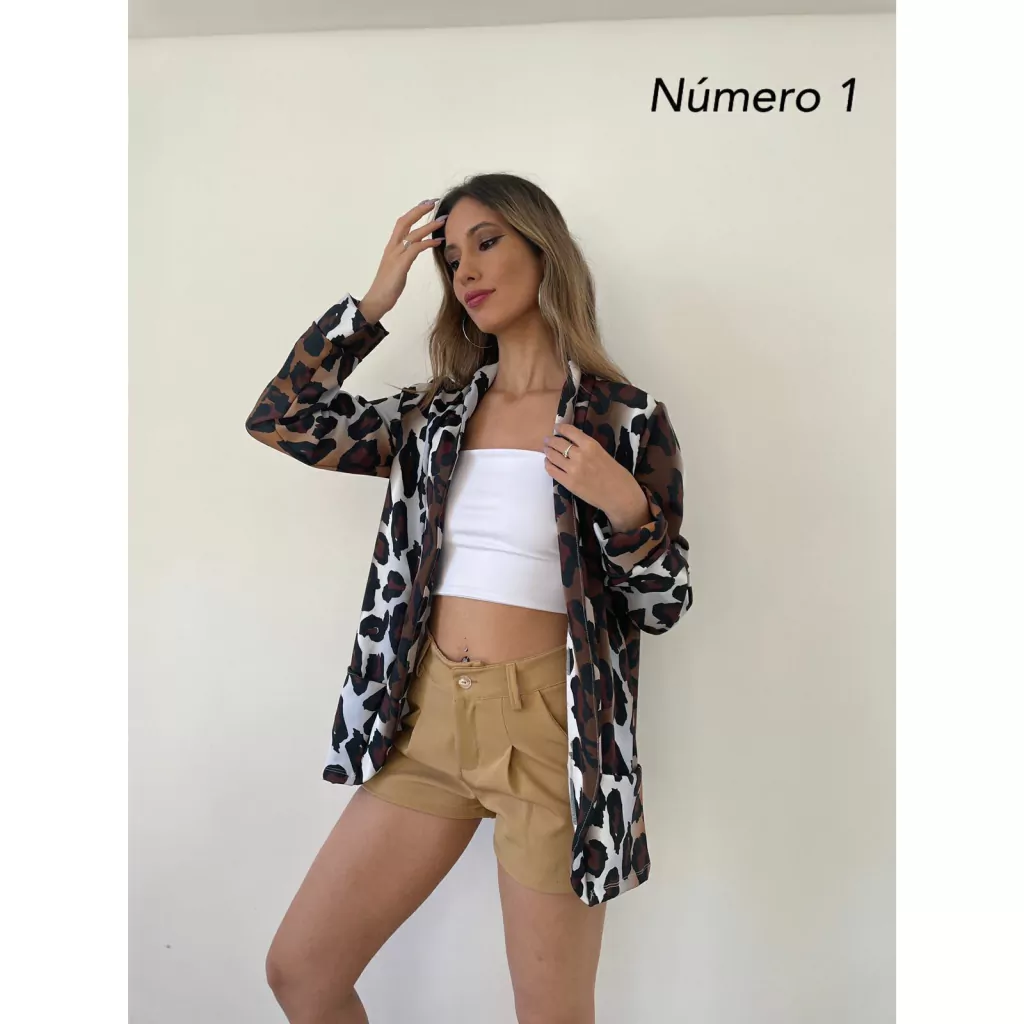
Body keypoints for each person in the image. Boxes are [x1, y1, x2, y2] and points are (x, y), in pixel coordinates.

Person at [245, 173, 692, 1024]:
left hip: (553, 736)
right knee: (301, 972)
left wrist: (626, 507)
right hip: (428, 723)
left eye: (487, 243)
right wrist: (371, 305)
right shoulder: (435, 417)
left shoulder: (625, 421)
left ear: (543, 248)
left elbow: (664, 604)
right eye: (451, 259)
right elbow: (284, 419)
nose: (468, 271)